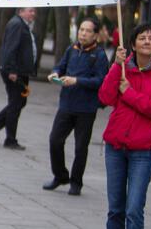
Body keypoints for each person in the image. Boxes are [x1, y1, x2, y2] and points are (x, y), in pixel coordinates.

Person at [99, 23, 151, 229]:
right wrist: (115, 66)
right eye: (142, 38)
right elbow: (105, 97)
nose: (147, 41)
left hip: (143, 151)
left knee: (133, 210)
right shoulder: (122, 69)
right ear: (133, 44)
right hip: (115, 148)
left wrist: (129, 93)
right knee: (115, 209)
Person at [44, 18, 109, 196]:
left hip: (86, 108)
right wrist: (55, 73)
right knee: (54, 140)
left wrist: (77, 81)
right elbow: (61, 65)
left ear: (95, 35)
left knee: (81, 147)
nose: (83, 34)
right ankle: (60, 175)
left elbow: (101, 81)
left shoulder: (100, 55)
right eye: (81, 30)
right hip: (66, 104)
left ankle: (76, 182)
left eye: (88, 31)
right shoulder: (71, 49)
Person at [0, 7, 37, 150]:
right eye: (30, 11)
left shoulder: (21, 24)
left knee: (19, 102)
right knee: (16, 103)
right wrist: (12, 70)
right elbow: (10, 49)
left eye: (34, 11)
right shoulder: (17, 24)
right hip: (15, 72)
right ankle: (9, 138)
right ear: (21, 11)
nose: (33, 13)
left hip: (20, 71)